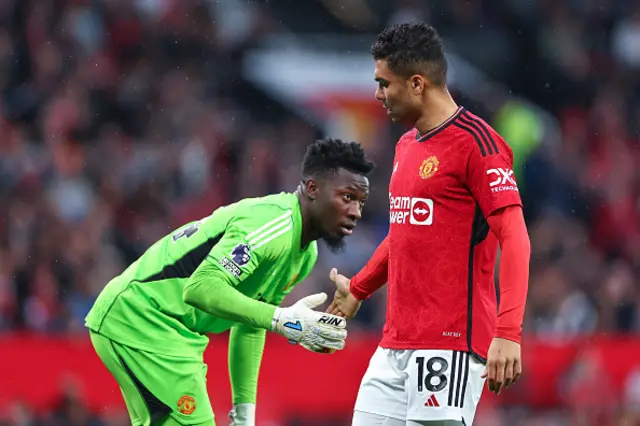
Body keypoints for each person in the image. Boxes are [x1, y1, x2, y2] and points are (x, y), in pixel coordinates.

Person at [85, 137, 375, 426]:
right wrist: (282, 318)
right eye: (347, 197)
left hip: (167, 330)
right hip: (143, 318)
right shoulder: (274, 224)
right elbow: (200, 287)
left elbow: (250, 325)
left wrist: (244, 411)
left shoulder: (305, 253)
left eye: (361, 202)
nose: (355, 212)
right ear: (312, 188)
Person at [327, 22, 531, 426]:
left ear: (417, 83)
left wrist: (508, 332)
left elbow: (517, 238)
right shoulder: (407, 144)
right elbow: (405, 233)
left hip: (449, 344)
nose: (377, 95)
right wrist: (359, 288)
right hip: (395, 343)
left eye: (384, 83)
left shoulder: (479, 144)